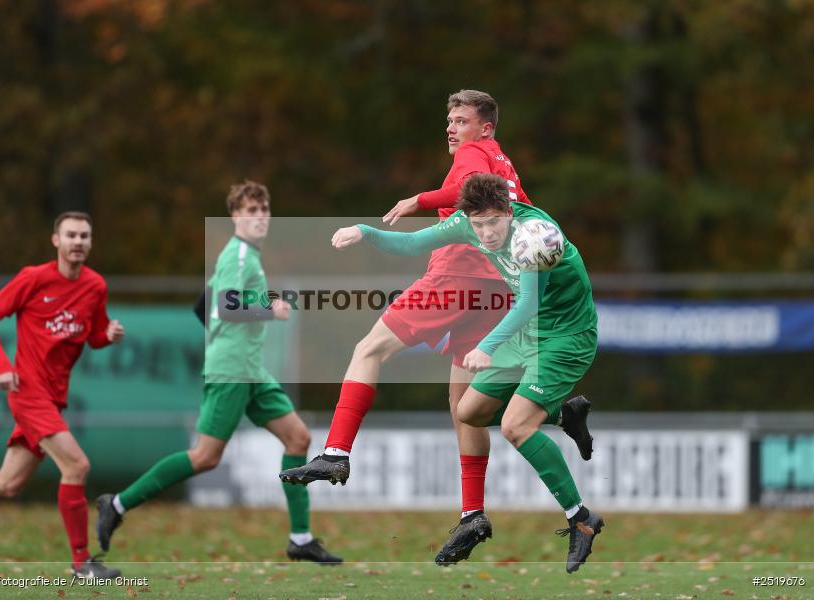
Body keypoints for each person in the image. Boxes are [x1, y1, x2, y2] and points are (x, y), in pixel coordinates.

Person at [280, 90, 593, 565]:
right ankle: (475, 511)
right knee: (464, 407)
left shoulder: (477, 163)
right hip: (493, 293)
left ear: (485, 127)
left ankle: (337, 450)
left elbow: (471, 204)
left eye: (461, 120)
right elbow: (463, 224)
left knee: (369, 350)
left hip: (459, 280)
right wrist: (368, 232)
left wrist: (418, 199)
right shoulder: (500, 171)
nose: (452, 128)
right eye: (448, 120)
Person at [322, 173, 605, 573]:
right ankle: (564, 414)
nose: (487, 233)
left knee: (515, 427)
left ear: (508, 211)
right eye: (479, 225)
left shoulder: (536, 235)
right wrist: (364, 231)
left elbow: (527, 303)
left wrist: (486, 346)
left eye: (494, 222)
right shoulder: (464, 223)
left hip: (565, 335)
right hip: (526, 330)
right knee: (468, 412)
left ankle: (580, 517)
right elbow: (411, 243)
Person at [95, 181, 341, 564]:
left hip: (250, 368)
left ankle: (301, 538)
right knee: (205, 457)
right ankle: (118, 504)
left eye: (264, 210)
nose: (259, 217)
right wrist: (267, 307)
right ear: (234, 217)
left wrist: (239, 323)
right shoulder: (239, 255)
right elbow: (226, 307)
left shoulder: (241, 256)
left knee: (297, 437)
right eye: (250, 211)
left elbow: (202, 305)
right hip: (232, 370)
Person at [0, 212, 125, 580]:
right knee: (76, 466)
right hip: (28, 392)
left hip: (54, 397)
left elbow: (92, 336)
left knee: (7, 483)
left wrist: (107, 335)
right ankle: (81, 564)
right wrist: (2, 364)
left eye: (84, 236)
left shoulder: (95, 286)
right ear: (56, 241)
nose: (77, 242)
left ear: (91, 242)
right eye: (70, 235)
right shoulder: (33, 278)